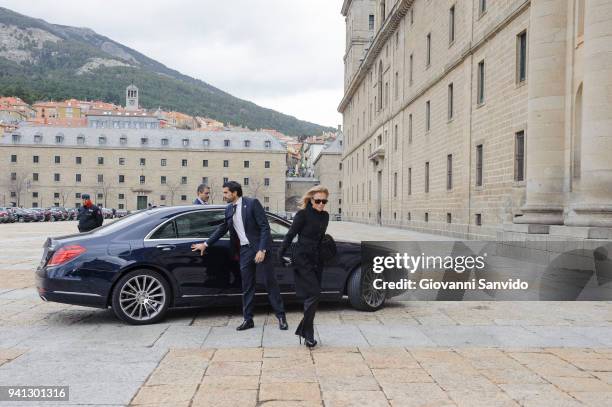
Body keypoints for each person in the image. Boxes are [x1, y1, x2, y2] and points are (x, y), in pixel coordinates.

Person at [191, 181, 288, 331]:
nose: (224, 196)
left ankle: (281, 317)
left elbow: (264, 227)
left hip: (260, 250)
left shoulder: (252, 203)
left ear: (235, 192)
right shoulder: (229, 208)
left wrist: (262, 250)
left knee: (270, 283)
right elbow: (223, 228)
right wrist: (206, 244)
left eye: (225, 193)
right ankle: (248, 319)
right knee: (247, 286)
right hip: (244, 252)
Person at [278, 186, 330, 348]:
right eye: (318, 201)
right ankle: (307, 332)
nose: (321, 204)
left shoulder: (326, 216)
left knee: (311, 297)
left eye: (324, 201)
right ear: (311, 200)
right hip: (302, 259)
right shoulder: (302, 215)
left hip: (317, 260)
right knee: (315, 293)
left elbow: (320, 238)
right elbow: (290, 235)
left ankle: (306, 333)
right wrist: (280, 254)